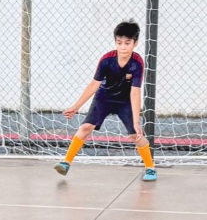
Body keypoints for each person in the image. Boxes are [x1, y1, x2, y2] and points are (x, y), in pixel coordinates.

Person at [54, 20, 157, 181]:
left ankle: (150, 168)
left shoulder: (137, 63)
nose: (123, 47)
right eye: (119, 42)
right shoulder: (106, 60)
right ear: (115, 42)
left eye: (127, 43)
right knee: (86, 127)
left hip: (125, 101)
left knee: (136, 134)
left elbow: (135, 93)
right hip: (104, 97)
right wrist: (76, 107)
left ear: (135, 43)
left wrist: (136, 121)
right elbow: (94, 84)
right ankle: (65, 162)